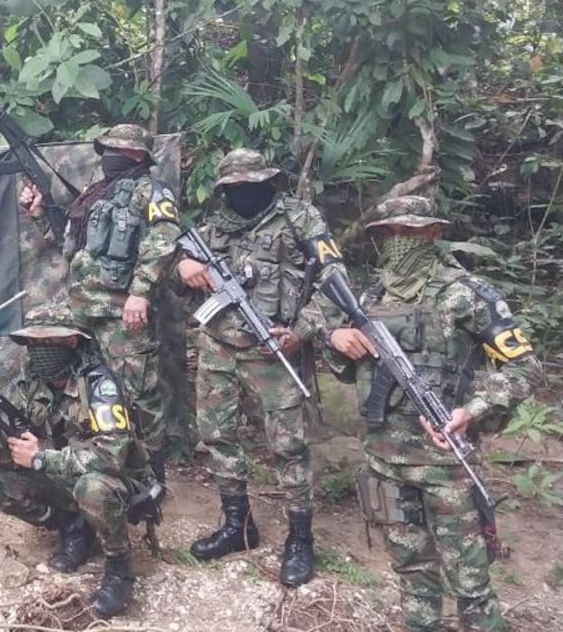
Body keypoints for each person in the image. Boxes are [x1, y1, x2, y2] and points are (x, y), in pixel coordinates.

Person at [325, 195, 542, 632]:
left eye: (411, 230)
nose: (399, 240)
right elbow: (350, 372)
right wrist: (337, 338)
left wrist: (471, 409)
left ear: (434, 233)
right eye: (390, 233)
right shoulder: (368, 296)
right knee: (410, 572)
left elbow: (524, 366)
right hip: (385, 461)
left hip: (448, 465)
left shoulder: (466, 293)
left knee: (470, 582)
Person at [175, 148, 342, 586]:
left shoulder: (300, 220)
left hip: (276, 351)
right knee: (218, 437)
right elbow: (177, 268)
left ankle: (300, 538)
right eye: (234, 188)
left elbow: (335, 284)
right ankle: (238, 525)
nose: (243, 194)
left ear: (269, 181)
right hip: (218, 348)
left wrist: (301, 331)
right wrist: (184, 265)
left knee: (288, 447)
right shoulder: (214, 227)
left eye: (251, 185)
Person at [0, 302, 157, 619]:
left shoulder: (99, 385)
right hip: (63, 470)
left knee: (92, 488)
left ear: (72, 342)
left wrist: (42, 458)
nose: (38, 351)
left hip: (117, 480)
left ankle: (119, 568)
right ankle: (74, 529)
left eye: (47, 342)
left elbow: (110, 457)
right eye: (33, 343)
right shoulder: (32, 384)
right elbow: (9, 455)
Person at [20, 124, 180, 484]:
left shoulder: (150, 191)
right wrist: (38, 213)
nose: (109, 156)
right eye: (106, 149)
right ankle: (87, 458)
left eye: (118, 150)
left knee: (139, 394)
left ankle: (152, 477)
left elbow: (165, 239)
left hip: (123, 311)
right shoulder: (97, 195)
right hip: (82, 311)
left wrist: (141, 292)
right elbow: (70, 245)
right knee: (79, 383)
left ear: (139, 155)